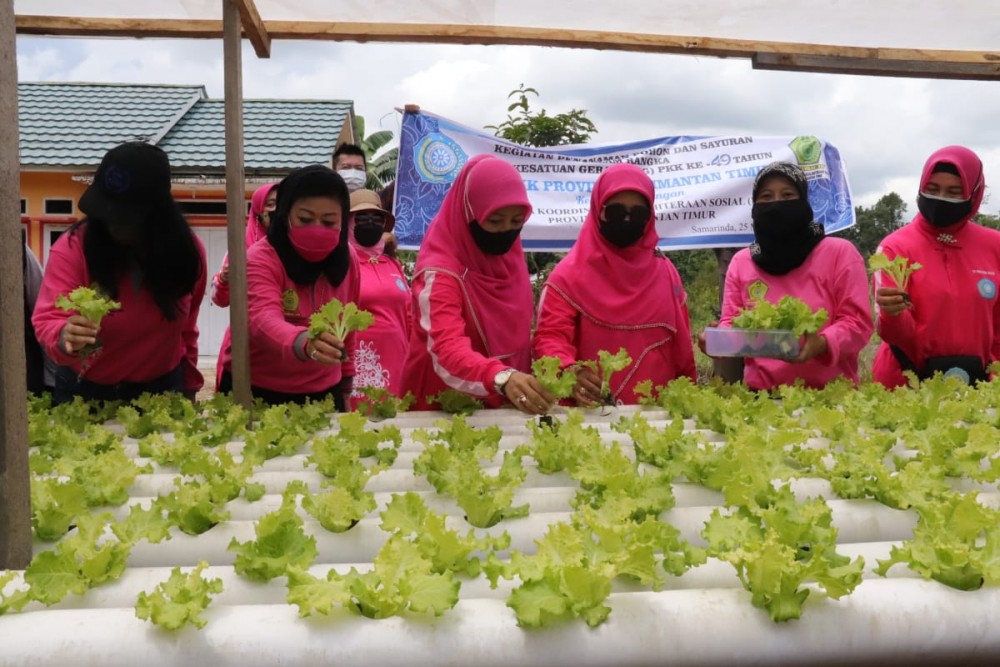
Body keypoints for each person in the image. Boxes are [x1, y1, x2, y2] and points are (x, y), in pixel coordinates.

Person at [32, 141, 207, 403]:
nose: (113, 224)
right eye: (106, 213)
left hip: (161, 389)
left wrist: (189, 388)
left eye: (126, 217)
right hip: (86, 391)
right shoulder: (72, 248)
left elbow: (187, 328)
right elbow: (48, 318)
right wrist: (63, 335)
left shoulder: (186, 252)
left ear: (158, 214)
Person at [401, 154, 554, 414]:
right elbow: (446, 349)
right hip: (441, 408)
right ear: (469, 213)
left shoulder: (510, 260)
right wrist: (501, 377)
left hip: (504, 400)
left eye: (517, 221)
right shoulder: (439, 273)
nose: (506, 230)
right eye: (494, 221)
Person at [533, 163, 696, 405]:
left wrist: (689, 399)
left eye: (639, 214)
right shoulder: (567, 277)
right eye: (616, 213)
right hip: (590, 420)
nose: (628, 220)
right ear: (598, 210)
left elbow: (682, 350)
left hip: (656, 422)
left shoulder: (666, 273)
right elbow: (549, 338)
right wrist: (569, 370)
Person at [709, 161, 872, 390]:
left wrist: (824, 343)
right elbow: (731, 322)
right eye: (766, 197)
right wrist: (718, 340)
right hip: (762, 400)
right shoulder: (742, 261)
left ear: (804, 202)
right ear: (754, 206)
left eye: (787, 195)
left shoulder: (840, 253)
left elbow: (857, 324)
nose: (776, 204)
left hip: (830, 400)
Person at [216, 165, 360, 408]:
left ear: (343, 221)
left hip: (325, 391)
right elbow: (262, 320)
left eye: (329, 221)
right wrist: (305, 341)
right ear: (284, 215)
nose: (317, 228)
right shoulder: (260, 258)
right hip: (259, 390)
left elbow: (350, 322)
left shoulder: (348, 260)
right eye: (305, 219)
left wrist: (346, 380)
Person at [872, 145, 997, 386]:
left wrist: (993, 378)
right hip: (905, 383)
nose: (941, 198)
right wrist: (893, 314)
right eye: (932, 189)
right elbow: (895, 335)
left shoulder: (995, 246)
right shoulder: (894, 248)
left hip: (979, 385)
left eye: (953, 192)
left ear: (974, 193)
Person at [347, 189, 412, 400]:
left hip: (398, 359)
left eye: (377, 218)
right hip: (363, 364)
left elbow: (409, 312)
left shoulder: (392, 263)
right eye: (362, 218)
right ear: (348, 223)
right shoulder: (343, 265)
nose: (370, 223)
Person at [211, 182, 277, 308]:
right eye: (270, 205)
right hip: (248, 323)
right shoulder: (240, 245)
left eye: (282, 204)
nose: (276, 210)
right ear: (258, 210)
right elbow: (220, 300)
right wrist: (224, 280)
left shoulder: (297, 242)